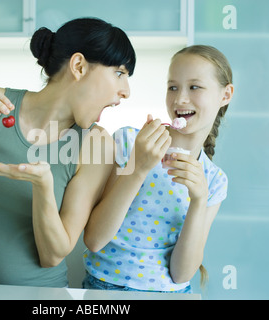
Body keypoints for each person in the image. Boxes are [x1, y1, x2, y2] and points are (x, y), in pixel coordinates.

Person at [0, 17, 136, 287]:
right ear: (79, 66)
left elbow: (53, 255)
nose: (126, 91)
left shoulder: (97, 145)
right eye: (119, 73)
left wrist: (43, 187)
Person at [82, 45, 234, 293]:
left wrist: (199, 200)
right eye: (173, 87)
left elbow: (182, 274)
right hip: (105, 289)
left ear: (225, 95)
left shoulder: (214, 181)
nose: (180, 99)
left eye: (194, 87)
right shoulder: (129, 142)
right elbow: (95, 240)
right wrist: (139, 168)